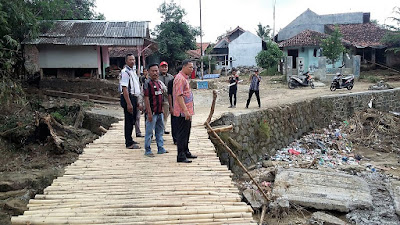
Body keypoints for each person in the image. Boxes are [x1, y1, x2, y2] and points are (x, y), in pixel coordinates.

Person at [173, 60, 197, 163]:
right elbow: (179, 96)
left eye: (192, 67)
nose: (192, 69)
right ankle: (181, 155)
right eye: (190, 67)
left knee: (187, 132)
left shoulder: (185, 78)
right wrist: (185, 111)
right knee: (182, 134)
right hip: (182, 112)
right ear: (184, 67)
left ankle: (186, 151)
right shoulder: (179, 79)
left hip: (187, 111)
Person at [143, 63, 168, 157]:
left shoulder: (159, 83)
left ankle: (160, 148)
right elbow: (146, 98)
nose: (155, 73)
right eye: (153, 71)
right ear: (149, 72)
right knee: (149, 132)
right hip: (152, 112)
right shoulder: (147, 83)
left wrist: (163, 110)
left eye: (156, 71)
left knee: (160, 131)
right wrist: (149, 112)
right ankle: (148, 150)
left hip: (159, 111)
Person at [119, 54, 141, 149]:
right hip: (128, 98)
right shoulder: (125, 72)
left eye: (133, 59)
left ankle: (130, 138)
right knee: (128, 120)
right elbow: (125, 88)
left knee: (133, 119)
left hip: (134, 97)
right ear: (126, 61)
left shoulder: (132, 71)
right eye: (130, 60)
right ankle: (128, 142)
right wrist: (129, 103)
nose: (132, 61)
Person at [158, 61, 174, 135]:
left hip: (167, 99)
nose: (164, 68)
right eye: (162, 67)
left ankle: (163, 128)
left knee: (165, 115)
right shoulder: (157, 77)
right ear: (159, 68)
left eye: (165, 67)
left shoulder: (171, 77)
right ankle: (158, 130)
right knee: (158, 115)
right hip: (157, 100)